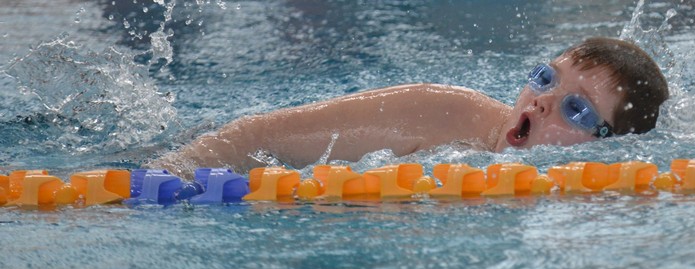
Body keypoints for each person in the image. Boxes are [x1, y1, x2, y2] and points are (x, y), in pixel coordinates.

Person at [154, 37, 668, 176]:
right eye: (545, 78)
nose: (542, 100)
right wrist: (163, 176)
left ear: (609, 147)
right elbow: (252, 137)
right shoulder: (439, 113)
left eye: (576, 109)